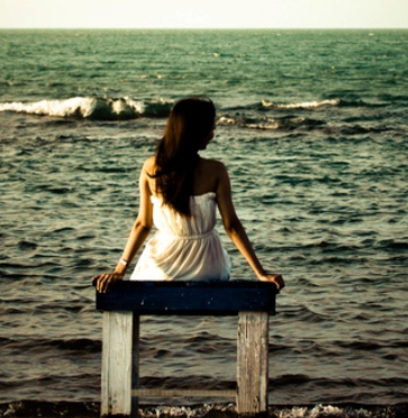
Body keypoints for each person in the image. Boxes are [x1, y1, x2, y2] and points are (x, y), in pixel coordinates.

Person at [93, 97, 284, 293]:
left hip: (162, 269)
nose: (212, 134)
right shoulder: (216, 171)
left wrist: (119, 270)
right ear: (196, 131)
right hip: (207, 268)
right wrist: (261, 273)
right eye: (210, 128)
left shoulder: (151, 168)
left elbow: (143, 224)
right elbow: (232, 226)